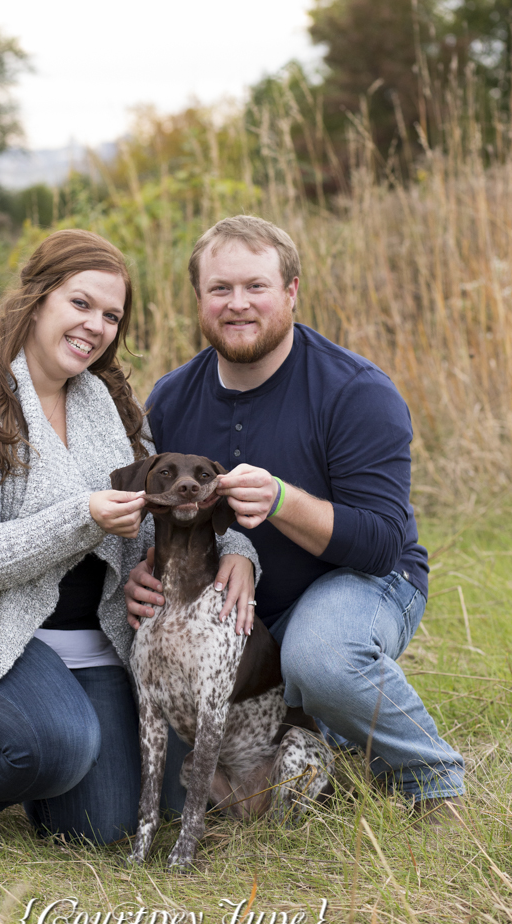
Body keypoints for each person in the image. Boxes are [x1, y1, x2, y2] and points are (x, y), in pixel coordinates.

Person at [0, 228, 257, 844]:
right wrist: (83, 518)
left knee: (103, 829)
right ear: (37, 298)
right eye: (80, 304)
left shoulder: (107, 404)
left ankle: (50, 765)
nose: (95, 326)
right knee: (53, 745)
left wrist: (237, 550)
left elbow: (172, 495)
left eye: (111, 315)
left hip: (90, 639)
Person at [125, 215, 465, 823]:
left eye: (256, 286)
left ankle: (430, 776)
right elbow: (155, 516)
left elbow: (383, 545)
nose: (237, 305)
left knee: (320, 655)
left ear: (291, 292)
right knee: (174, 768)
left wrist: (282, 500)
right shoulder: (171, 398)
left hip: (362, 583)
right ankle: (335, 741)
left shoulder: (356, 391)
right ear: (199, 300)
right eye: (219, 289)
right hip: (239, 612)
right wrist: (142, 572)